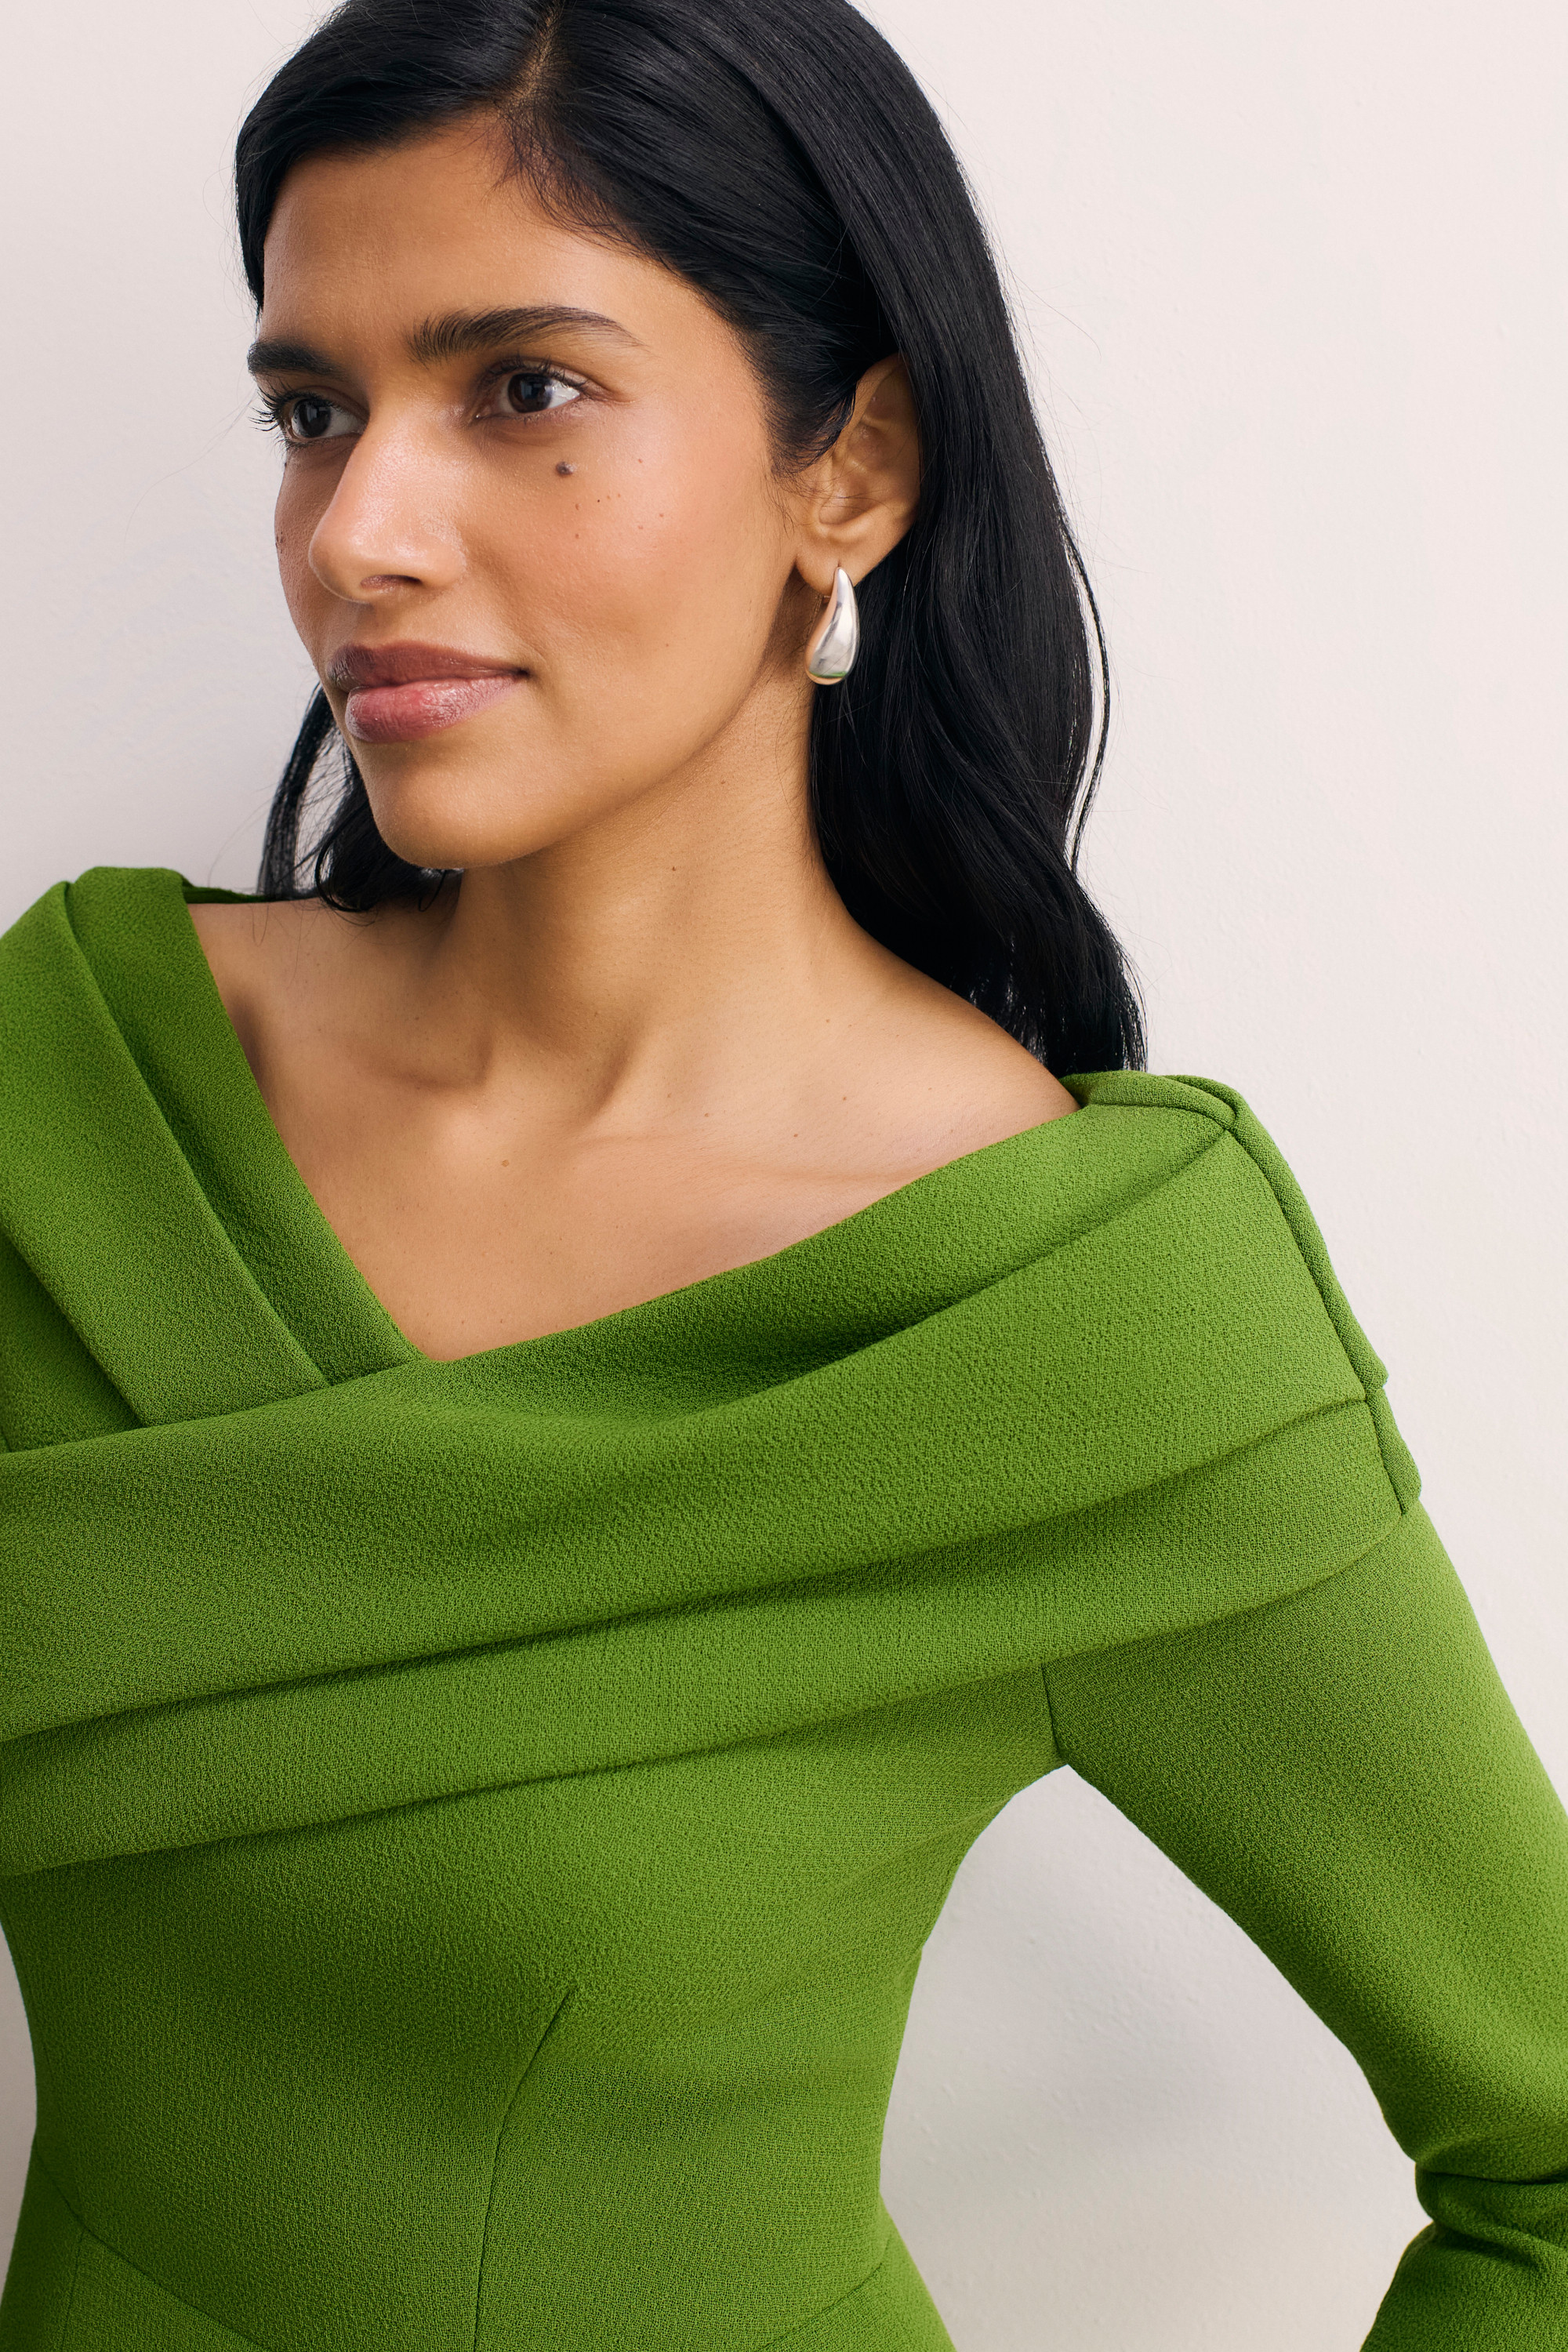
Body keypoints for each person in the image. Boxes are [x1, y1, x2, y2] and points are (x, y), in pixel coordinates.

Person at [0, 0, 1564, 2344]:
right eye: (312, 412)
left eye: (524, 388)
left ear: (854, 468)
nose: (359, 536)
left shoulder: (1074, 1313)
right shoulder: (73, 1095)